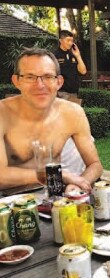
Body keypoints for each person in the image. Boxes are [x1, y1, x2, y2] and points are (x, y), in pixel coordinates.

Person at [0, 47, 103, 193]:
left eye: (48, 77)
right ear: (16, 81)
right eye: (30, 77)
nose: (40, 85)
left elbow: (95, 164)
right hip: (10, 203)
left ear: (59, 82)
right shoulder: (2, 114)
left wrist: (80, 182)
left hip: (53, 197)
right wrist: (60, 175)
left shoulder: (72, 113)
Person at [55, 30, 87, 99]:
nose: (70, 43)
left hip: (74, 93)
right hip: (60, 94)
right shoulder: (54, 55)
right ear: (60, 41)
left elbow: (83, 71)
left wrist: (78, 56)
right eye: (68, 40)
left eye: (72, 41)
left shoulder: (73, 55)